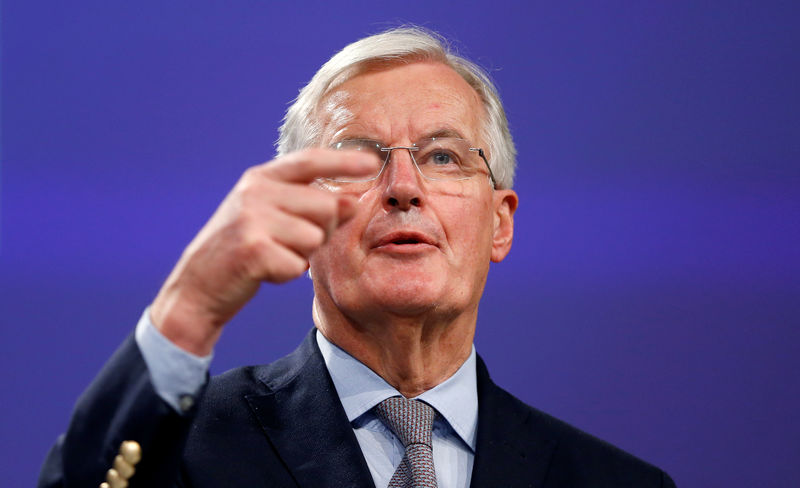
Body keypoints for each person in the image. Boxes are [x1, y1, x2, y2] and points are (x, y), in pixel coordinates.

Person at [38, 27, 676, 488]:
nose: (403, 187)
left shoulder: (615, 481)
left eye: (443, 156)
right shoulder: (182, 452)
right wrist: (191, 306)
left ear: (499, 225)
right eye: (361, 159)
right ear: (298, 220)